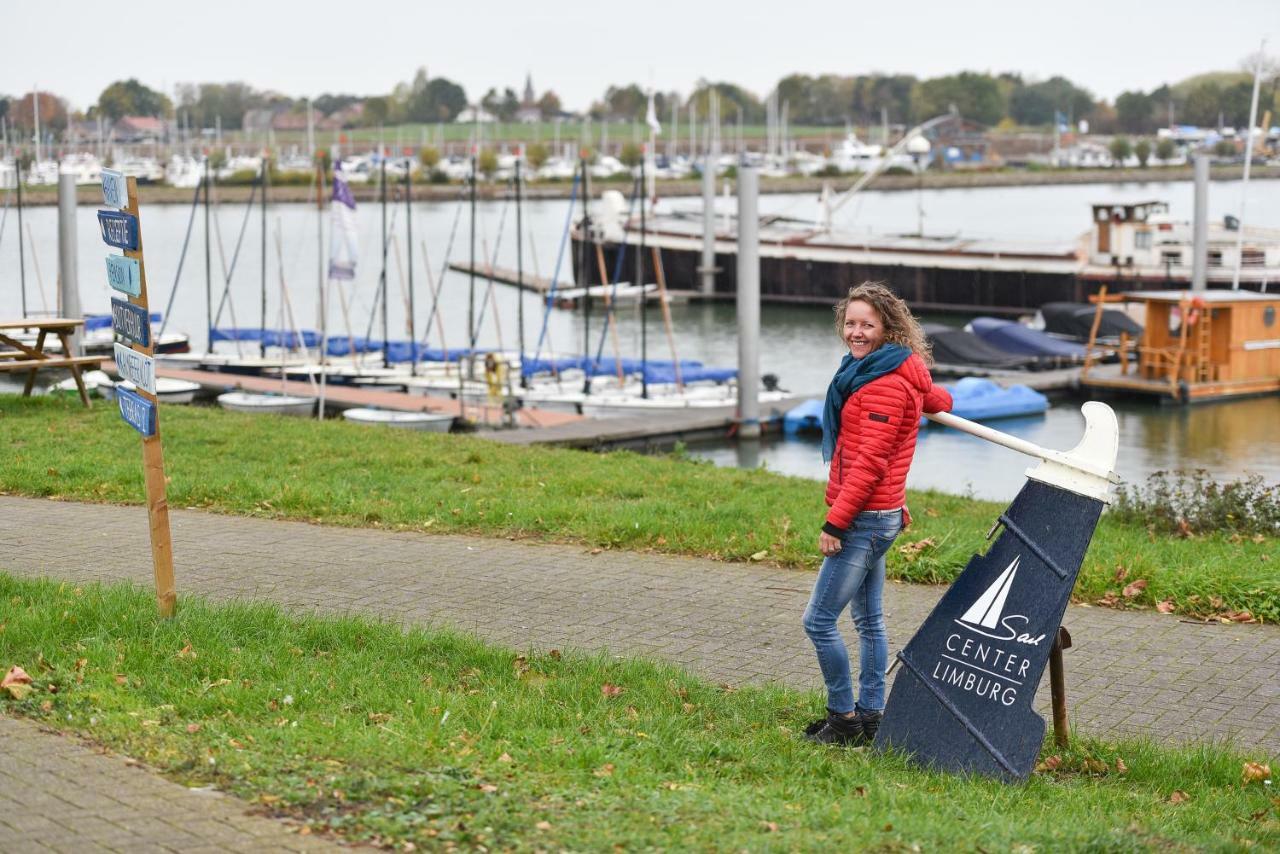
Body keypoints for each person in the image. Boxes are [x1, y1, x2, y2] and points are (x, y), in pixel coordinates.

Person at [803, 282, 952, 746]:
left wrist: (836, 523)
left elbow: (869, 466)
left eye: (867, 324)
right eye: (850, 323)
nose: (856, 332)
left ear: (888, 328)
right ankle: (871, 715)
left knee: (819, 621)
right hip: (881, 514)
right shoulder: (884, 370)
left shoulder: (884, 384)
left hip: (866, 516)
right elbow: (934, 399)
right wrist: (939, 401)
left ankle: (843, 718)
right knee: (869, 621)